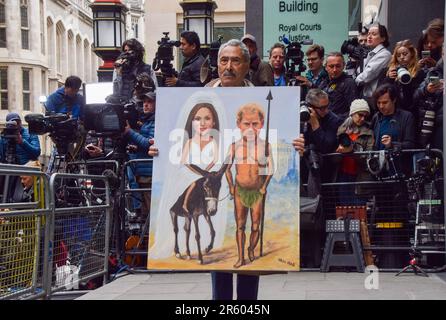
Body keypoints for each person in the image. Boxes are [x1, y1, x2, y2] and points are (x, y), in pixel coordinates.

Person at [149, 39, 262, 300]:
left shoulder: (260, 96)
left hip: (240, 183)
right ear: (217, 64)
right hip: (206, 185)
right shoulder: (202, 96)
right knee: (219, 273)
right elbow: (174, 146)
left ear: (246, 65)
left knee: (248, 275)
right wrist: (159, 151)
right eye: (224, 60)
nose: (229, 66)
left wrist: (295, 145)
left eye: (236, 60)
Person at [148, 92, 228, 262]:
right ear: (192, 121)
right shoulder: (190, 142)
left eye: (207, 118)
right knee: (191, 185)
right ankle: (184, 208)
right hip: (189, 175)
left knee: (210, 188)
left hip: (207, 175)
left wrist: (207, 172)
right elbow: (184, 161)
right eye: (198, 118)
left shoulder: (215, 142)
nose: (203, 122)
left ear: (214, 121)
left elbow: (215, 160)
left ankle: (207, 234)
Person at [225, 103, 273, 268]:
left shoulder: (265, 145)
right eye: (247, 124)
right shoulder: (234, 146)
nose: (251, 128)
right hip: (240, 190)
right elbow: (226, 169)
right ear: (239, 124)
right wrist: (231, 186)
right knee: (240, 225)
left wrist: (264, 185)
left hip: (257, 190)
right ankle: (240, 257)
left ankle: (251, 248)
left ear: (261, 124)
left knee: (255, 225)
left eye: (255, 124)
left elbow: (271, 169)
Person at [124, 91, 157, 224]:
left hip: (150, 172)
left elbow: (149, 143)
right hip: (144, 172)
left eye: (149, 102)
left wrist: (129, 132)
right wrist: (136, 148)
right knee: (145, 212)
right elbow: (144, 144)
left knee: (150, 212)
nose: (145, 105)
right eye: (144, 102)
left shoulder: (156, 122)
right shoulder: (148, 121)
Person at [335, 99, 374, 205]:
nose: (362, 119)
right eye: (360, 115)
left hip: (359, 177)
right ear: (352, 113)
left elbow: (368, 158)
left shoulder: (369, 133)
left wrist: (353, 150)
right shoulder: (341, 129)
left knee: (359, 211)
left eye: (365, 116)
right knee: (344, 210)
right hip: (343, 175)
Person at [383, 39, 426, 114]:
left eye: (405, 54)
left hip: (412, 111)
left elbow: (416, 96)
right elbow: (383, 91)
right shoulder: (391, 70)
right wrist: (389, 79)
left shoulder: (418, 72)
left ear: (412, 53)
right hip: (394, 110)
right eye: (398, 55)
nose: (402, 57)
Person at [371, 84, 416, 151]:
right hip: (378, 159)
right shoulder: (376, 117)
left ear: (394, 100)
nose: (381, 106)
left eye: (385, 102)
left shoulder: (407, 117)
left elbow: (411, 144)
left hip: (398, 159)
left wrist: (392, 145)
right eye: (378, 103)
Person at [111, 38, 157, 103]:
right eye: (125, 50)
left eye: (130, 50)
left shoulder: (148, 68)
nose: (127, 53)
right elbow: (116, 92)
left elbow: (154, 91)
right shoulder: (120, 68)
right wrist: (119, 73)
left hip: (141, 107)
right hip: (123, 106)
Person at [355, 24, 392, 102]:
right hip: (367, 97)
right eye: (369, 34)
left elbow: (366, 76)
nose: (369, 37)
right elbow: (359, 71)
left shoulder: (384, 54)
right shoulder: (371, 53)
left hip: (375, 98)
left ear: (383, 38)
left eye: (374, 34)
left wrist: (354, 81)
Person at [413, 55, 444, 149]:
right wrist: (426, 90)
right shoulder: (434, 73)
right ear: (442, 54)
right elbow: (415, 98)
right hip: (438, 124)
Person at [320, 52, 358, 120]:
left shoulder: (349, 83)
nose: (335, 70)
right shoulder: (324, 83)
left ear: (343, 66)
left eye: (338, 66)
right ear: (325, 67)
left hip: (340, 124)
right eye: (331, 66)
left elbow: (354, 110)